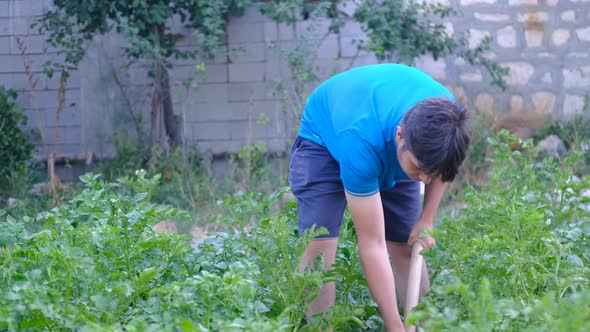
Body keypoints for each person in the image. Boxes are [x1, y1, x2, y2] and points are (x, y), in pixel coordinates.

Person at [288, 63, 471, 331]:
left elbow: (440, 168)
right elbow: (371, 244)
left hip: (389, 137)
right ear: (400, 136)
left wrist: (427, 217)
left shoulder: (450, 123)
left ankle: (424, 327)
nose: (424, 181)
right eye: (419, 170)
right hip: (325, 138)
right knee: (320, 247)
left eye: (431, 173)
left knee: (406, 244)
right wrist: (392, 323)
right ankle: (321, 327)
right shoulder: (359, 141)